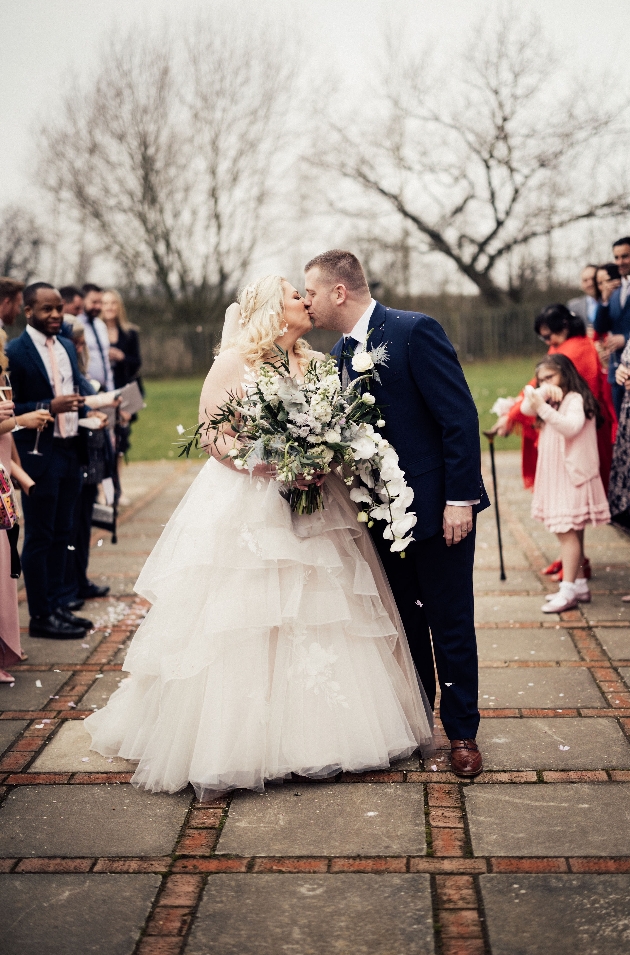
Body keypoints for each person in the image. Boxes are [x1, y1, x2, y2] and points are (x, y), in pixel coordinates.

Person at [85, 275, 434, 797]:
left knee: (319, 608)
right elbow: (210, 436)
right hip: (248, 502)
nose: (305, 302)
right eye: (296, 295)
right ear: (274, 308)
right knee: (246, 613)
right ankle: (238, 742)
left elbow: (333, 428)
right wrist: (269, 463)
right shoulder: (233, 364)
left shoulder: (317, 364)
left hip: (313, 506)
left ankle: (319, 737)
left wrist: (321, 461)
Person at [304, 250, 490, 779]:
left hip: (439, 510)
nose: (307, 302)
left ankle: (462, 733)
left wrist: (461, 499)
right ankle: (416, 723)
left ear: (339, 291)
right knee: (403, 622)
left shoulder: (413, 331)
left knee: (449, 622)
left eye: (311, 292)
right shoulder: (339, 354)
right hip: (379, 515)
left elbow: (459, 419)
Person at [5, 283, 93, 639]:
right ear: (28, 311)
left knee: (63, 532)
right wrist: (47, 406)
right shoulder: (15, 351)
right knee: (40, 536)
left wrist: (91, 412)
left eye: (59, 309)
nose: (56, 315)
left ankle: (59, 606)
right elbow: (10, 410)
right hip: (39, 454)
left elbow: (78, 393)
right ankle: (40, 615)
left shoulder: (68, 347)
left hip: (71, 448)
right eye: (47, 309)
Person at [521, 354, 610, 612]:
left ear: (565, 374)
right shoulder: (549, 397)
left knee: (567, 533)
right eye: (542, 379)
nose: (546, 383)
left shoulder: (574, 399)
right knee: (574, 532)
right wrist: (536, 393)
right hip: (557, 474)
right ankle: (580, 584)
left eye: (550, 377)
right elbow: (527, 409)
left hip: (572, 475)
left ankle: (568, 589)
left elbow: (571, 428)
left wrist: (542, 407)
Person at [1, 284, 53, 680]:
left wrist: (20, 477)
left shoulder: (2, 375)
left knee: (7, 564)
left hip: (6, 479)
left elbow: (6, 445)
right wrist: (20, 419)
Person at [101, 289, 142, 504]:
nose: (109, 307)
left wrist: (121, 356)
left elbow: (137, 364)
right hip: (102, 394)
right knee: (102, 445)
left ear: (119, 307)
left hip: (124, 394)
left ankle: (117, 489)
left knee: (119, 445)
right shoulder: (95, 334)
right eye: (105, 303)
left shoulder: (129, 333)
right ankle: (104, 492)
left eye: (113, 303)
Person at [594, 237, 630, 418]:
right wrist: (605, 300)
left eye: (625, 256)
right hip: (617, 373)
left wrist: (625, 338)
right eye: (616, 257)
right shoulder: (615, 292)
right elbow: (600, 327)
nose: (620, 262)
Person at [78, 283, 114, 393]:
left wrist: (111, 390)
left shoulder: (101, 325)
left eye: (100, 303)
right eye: (94, 302)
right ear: (83, 301)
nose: (98, 307)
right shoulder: (77, 326)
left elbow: (106, 360)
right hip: (86, 391)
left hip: (105, 390)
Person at [567, 264, 599, 332]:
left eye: (593, 279)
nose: (590, 283)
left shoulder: (612, 301)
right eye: (585, 280)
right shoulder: (573, 306)